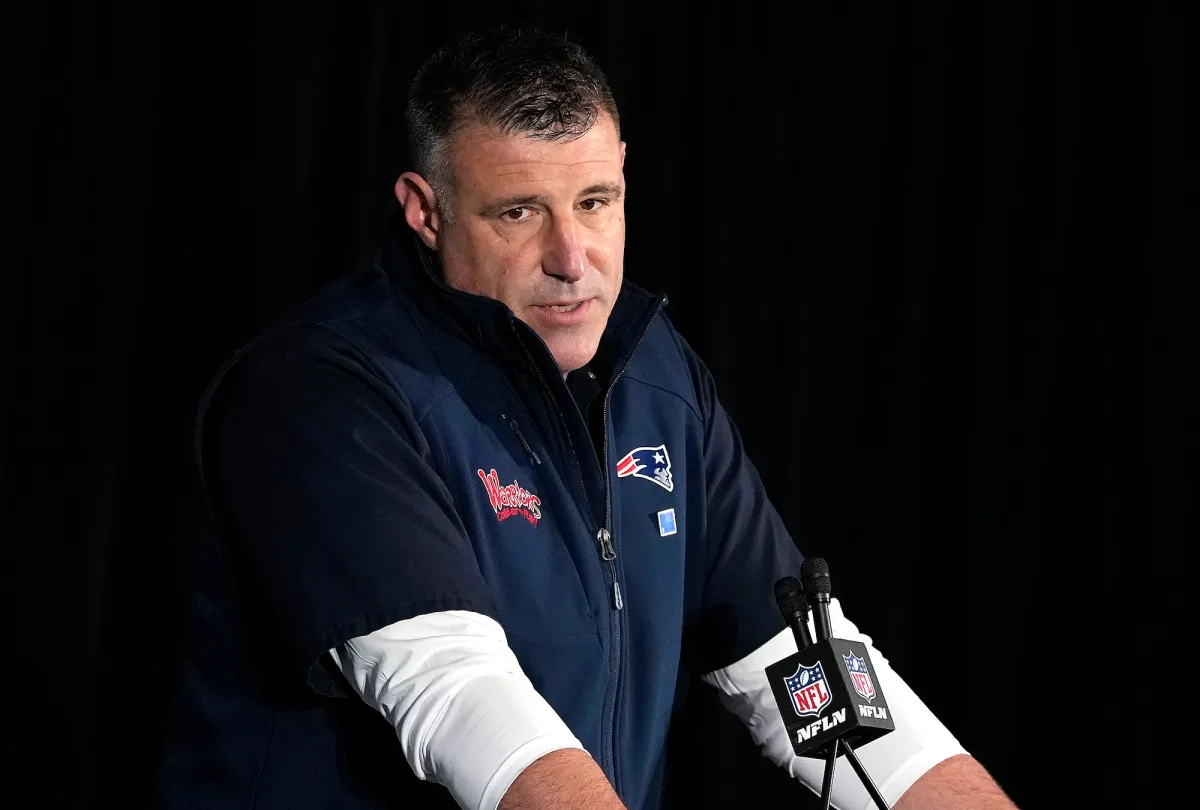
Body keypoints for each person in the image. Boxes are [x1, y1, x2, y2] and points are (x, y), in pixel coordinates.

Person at [156, 26, 1017, 810]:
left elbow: (798, 665)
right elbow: (457, 696)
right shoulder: (322, 391)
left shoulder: (656, 377)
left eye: (596, 202)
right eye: (519, 212)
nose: (573, 260)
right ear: (425, 210)